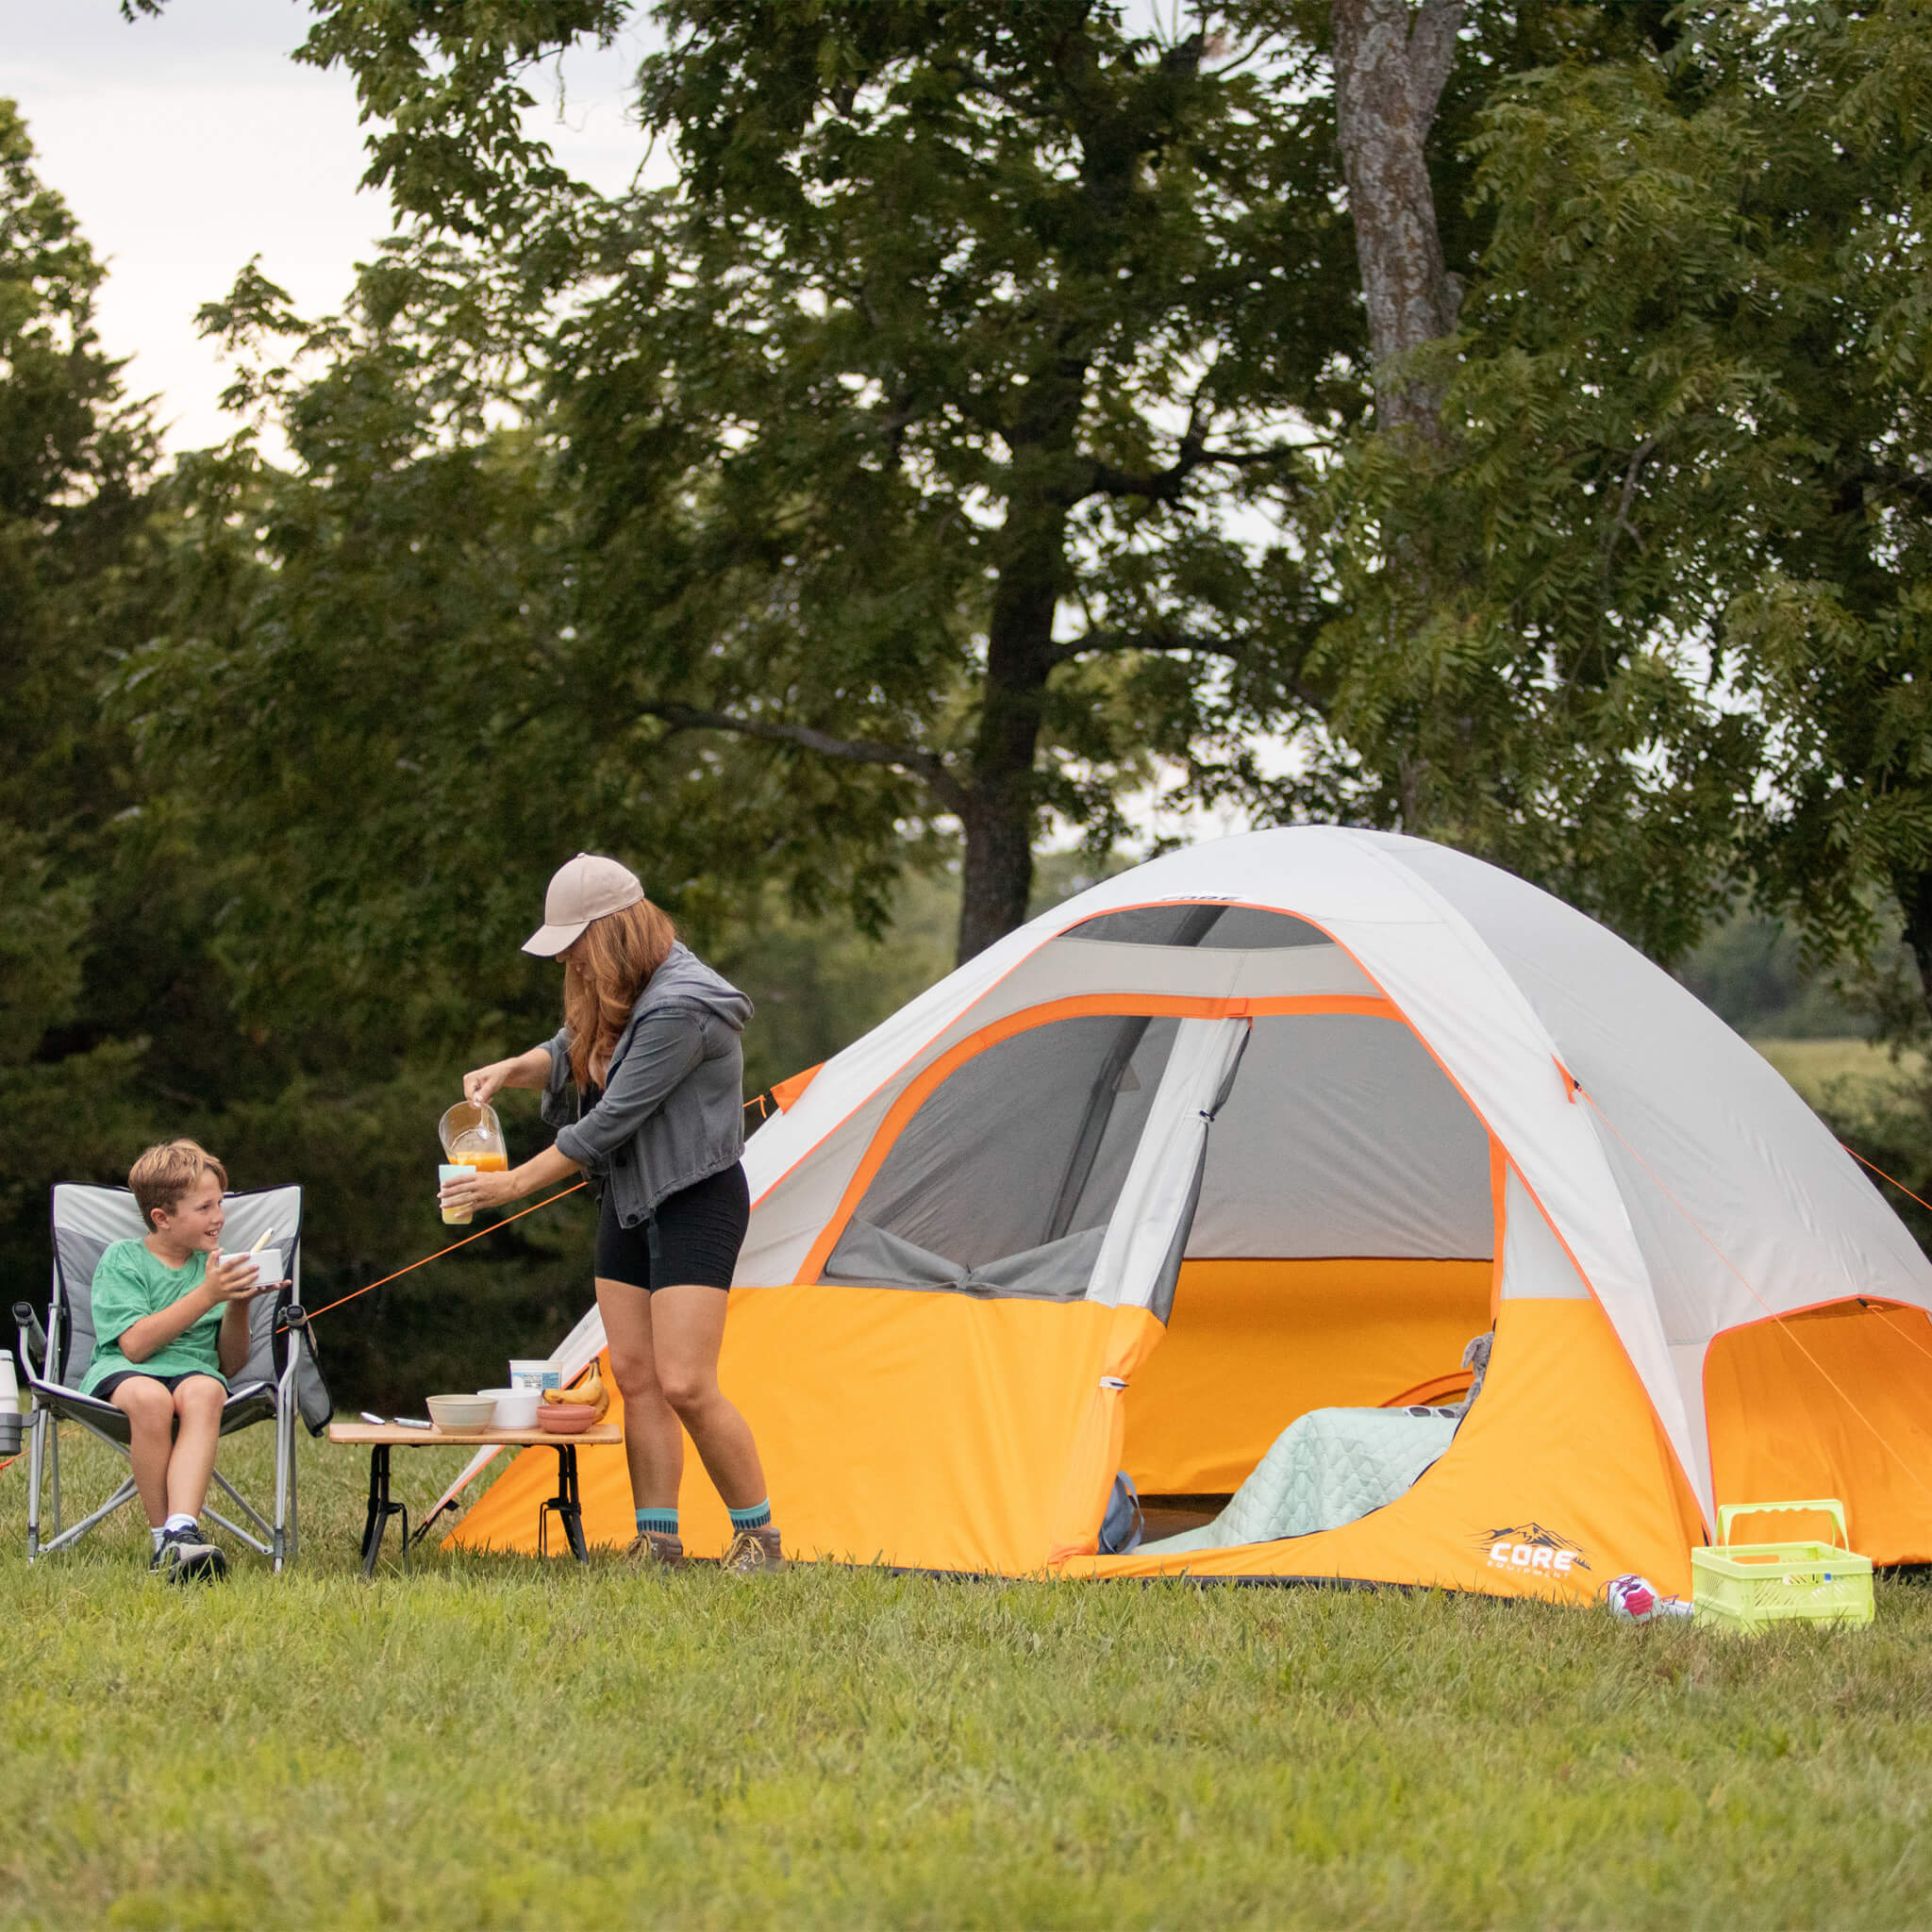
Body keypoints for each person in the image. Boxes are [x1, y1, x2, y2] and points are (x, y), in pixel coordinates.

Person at [441, 852, 784, 1574]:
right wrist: (515, 1067)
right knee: (635, 1375)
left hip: (695, 1197)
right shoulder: (623, 984)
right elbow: (574, 1046)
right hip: (630, 1196)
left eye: (573, 942)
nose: (566, 958)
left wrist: (510, 1188)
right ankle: (657, 1542)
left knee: (687, 1380)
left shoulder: (682, 1006)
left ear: (611, 932)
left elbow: (606, 1124)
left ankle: (760, 1540)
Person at [81, 1140, 281, 1582]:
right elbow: (134, 1345)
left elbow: (229, 1364)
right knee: (152, 1399)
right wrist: (208, 1294)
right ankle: (162, 1543)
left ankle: (181, 1529)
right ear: (162, 1218)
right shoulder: (124, 1259)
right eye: (205, 1207)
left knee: (208, 1389)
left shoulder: (214, 1268)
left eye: (220, 1204)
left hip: (194, 1374)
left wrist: (237, 1304)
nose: (219, 1217)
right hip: (127, 1373)